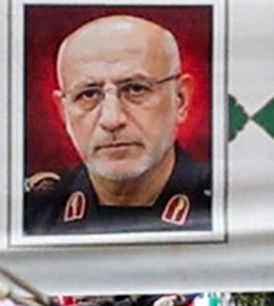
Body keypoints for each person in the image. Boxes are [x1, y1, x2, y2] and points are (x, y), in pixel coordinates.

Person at [20, 16, 211, 235]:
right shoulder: (33, 215)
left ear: (180, 100)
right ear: (64, 112)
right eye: (88, 94)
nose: (112, 120)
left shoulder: (228, 205)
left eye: (136, 89)